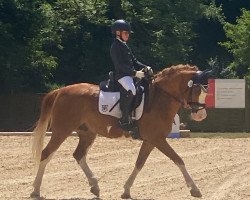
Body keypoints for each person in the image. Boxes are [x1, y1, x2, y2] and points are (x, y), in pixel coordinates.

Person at [110, 19, 151, 139]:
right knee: (131, 90)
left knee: (143, 89)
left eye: (128, 33)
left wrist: (145, 67)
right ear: (118, 33)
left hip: (130, 74)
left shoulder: (124, 45)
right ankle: (124, 119)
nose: (128, 35)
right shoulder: (115, 46)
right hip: (122, 76)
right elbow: (120, 66)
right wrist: (135, 73)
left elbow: (134, 61)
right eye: (125, 33)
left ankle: (137, 119)